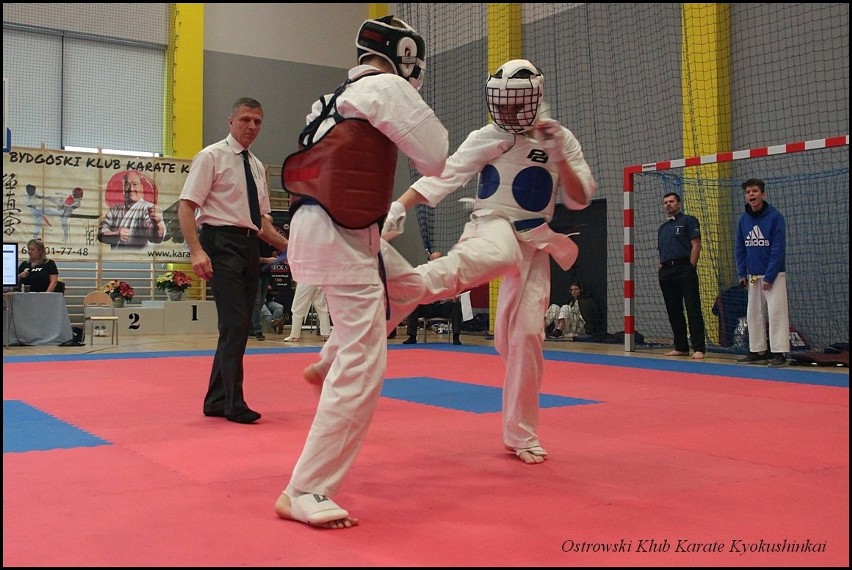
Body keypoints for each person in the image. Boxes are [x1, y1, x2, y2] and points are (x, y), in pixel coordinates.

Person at [275, 15, 448, 529]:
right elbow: (435, 156)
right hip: (342, 236)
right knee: (365, 361)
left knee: (409, 287)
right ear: (406, 56)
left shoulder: (334, 97)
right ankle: (306, 488)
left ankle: (326, 363)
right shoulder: (387, 87)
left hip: (334, 229)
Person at [384, 59, 597, 466]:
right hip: (491, 225)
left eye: (516, 104)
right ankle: (403, 285)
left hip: (536, 242)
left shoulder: (560, 138)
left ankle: (521, 434)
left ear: (534, 99)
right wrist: (401, 204)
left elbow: (580, 197)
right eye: (501, 105)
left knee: (525, 337)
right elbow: (444, 176)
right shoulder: (488, 135)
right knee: (494, 255)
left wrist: (558, 155)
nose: (507, 113)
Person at [178, 97, 288, 425]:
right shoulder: (211, 156)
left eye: (257, 121)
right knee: (237, 324)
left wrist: (290, 246)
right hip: (220, 242)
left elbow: (263, 223)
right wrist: (197, 251)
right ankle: (233, 402)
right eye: (245, 119)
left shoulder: (256, 166)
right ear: (231, 121)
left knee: (237, 325)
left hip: (249, 245)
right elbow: (187, 207)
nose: (251, 126)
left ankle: (215, 400)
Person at [735, 178, 789, 367]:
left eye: (755, 191)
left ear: (763, 194)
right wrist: (742, 272)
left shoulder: (775, 218)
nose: (751, 194)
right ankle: (757, 350)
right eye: (748, 192)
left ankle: (779, 352)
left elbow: (778, 249)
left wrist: (770, 275)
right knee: (753, 313)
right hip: (752, 275)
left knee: (777, 313)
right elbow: (740, 247)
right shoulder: (744, 220)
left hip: (773, 276)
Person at [657, 191, 706, 360]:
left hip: (684, 268)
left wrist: (690, 267)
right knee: (674, 310)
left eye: (671, 201)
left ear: (678, 203)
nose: (668, 204)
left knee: (692, 308)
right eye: (665, 202)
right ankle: (681, 346)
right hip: (667, 271)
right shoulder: (663, 228)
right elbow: (662, 252)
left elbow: (696, 245)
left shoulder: (689, 221)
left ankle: (699, 347)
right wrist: (661, 269)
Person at [401, 251, 462, 345]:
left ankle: (456, 337)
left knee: (456, 304)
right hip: (429, 306)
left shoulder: (450, 273)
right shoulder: (424, 273)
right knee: (414, 305)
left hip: (443, 306)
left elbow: (456, 291)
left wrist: (454, 297)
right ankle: (412, 336)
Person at [98, 171, 166, 248]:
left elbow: (156, 238)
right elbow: (101, 234)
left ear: (142, 187)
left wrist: (156, 224)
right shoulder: (114, 210)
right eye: (127, 184)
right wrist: (116, 234)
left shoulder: (149, 208)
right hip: (116, 258)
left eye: (135, 184)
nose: (131, 189)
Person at [250, 241, 278, 341]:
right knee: (257, 302)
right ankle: (258, 330)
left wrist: (278, 258)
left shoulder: (269, 242)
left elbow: (274, 255)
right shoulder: (254, 240)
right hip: (254, 273)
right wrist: (267, 260)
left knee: (261, 302)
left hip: (266, 274)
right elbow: (251, 258)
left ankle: (251, 328)